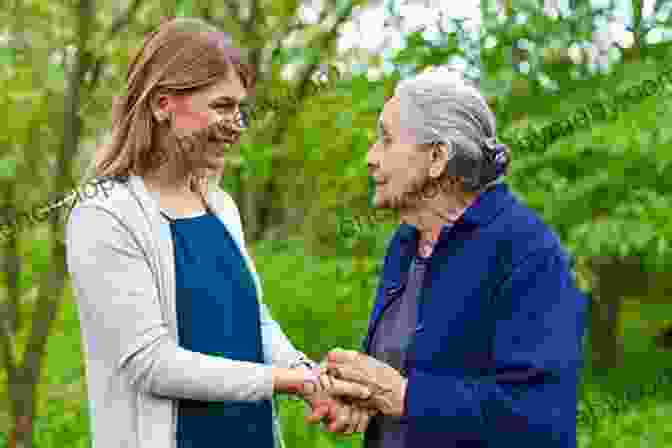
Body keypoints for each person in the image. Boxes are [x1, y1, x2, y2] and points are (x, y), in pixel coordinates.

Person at [64, 17, 373, 448]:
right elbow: (151, 363)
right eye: (222, 106)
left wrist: (310, 375)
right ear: (162, 104)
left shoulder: (220, 206)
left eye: (240, 108)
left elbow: (251, 320)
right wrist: (288, 382)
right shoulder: (105, 215)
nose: (237, 123)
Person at [320, 67, 588, 447]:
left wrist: (403, 397)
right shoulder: (406, 242)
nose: (371, 157)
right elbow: (403, 381)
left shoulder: (527, 253)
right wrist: (361, 397)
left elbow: (539, 420)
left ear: (437, 157)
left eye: (386, 139)